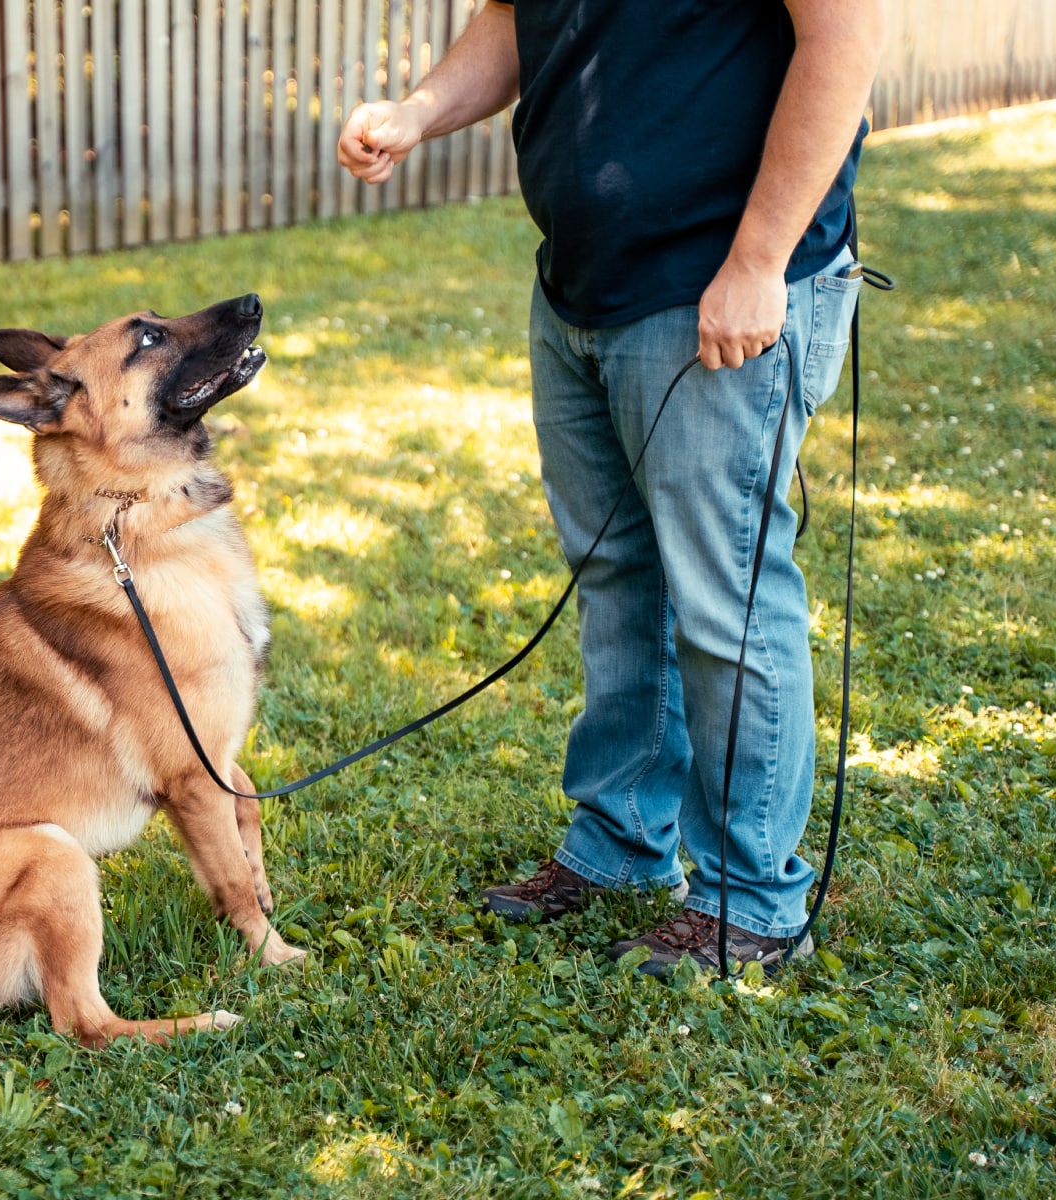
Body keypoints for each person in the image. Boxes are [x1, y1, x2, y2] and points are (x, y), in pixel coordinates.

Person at [338, 0, 882, 975]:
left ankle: (751, 904)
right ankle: (622, 844)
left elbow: (843, 38)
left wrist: (758, 262)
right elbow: (515, 18)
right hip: (582, 287)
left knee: (729, 604)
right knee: (618, 579)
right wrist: (420, 109)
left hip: (723, 288)